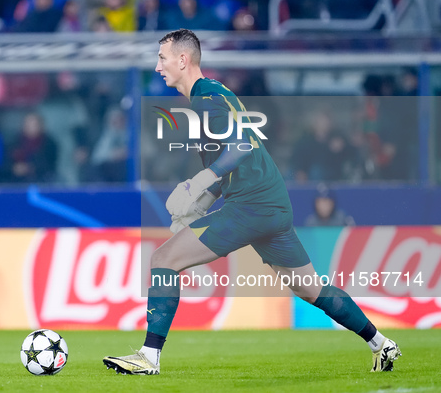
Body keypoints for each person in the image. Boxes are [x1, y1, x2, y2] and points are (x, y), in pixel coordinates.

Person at [103, 29, 401, 375]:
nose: (158, 67)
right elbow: (233, 159)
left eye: (162, 58)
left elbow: (240, 147)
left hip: (251, 206)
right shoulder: (217, 94)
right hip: (271, 204)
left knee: (163, 259)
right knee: (311, 288)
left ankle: (149, 357)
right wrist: (201, 202)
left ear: (183, 60)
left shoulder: (205, 99)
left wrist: (198, 182)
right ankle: (381, 344)